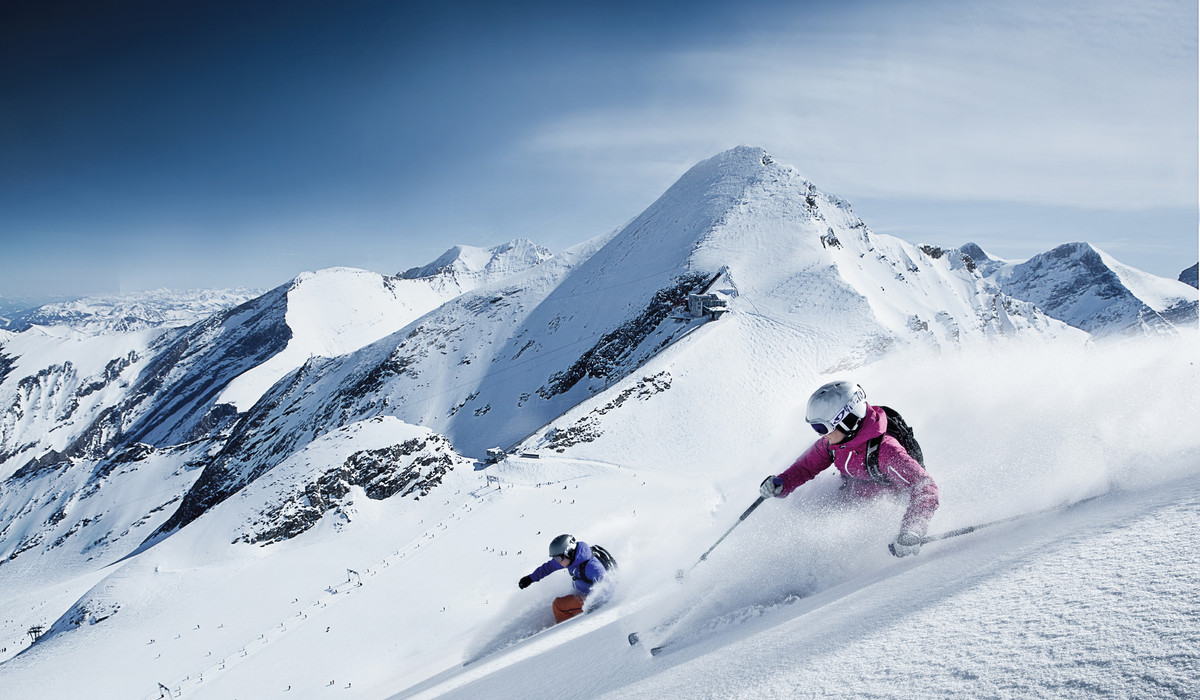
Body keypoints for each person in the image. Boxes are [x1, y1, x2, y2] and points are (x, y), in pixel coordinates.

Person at [759, 380, 938, 557]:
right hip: (848, 501)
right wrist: (782, 482)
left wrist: (912, 529)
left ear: (847, 421)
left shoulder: (886, 451)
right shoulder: (834, 444)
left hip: (879, 516)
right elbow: (806, 467)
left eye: (822, 427)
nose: (821, 434)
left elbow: (925, 487)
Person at [518, 534, 609, 623]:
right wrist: (530, 578)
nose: (556, 561)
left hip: (594, 598)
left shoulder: (592, 567)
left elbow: (607, 585)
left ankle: (566, 629)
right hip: (584, 590)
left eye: (557, 558)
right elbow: (548, 567)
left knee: (558, 605)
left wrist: (594, 604)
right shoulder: (571, 559)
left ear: (568, 552)